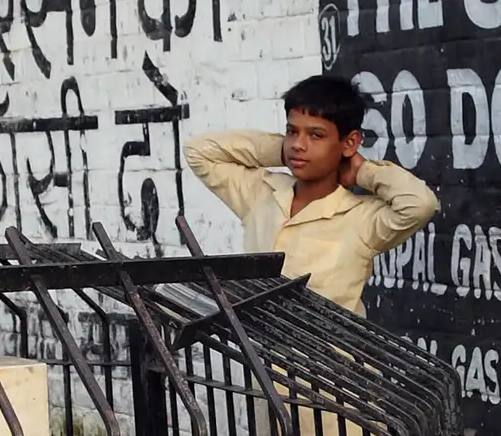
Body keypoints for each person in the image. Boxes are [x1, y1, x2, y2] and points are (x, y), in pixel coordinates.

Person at [184, 74, 438, 312]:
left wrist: (363, 170)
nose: (298, 144)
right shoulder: (260, 193)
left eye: (316, 135)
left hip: (331, 345)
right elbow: (198, 152)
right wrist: (281, 152)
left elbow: (420, 204)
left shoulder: (360, 218)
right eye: (292, 132)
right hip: (257, 344)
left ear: (349, 142)